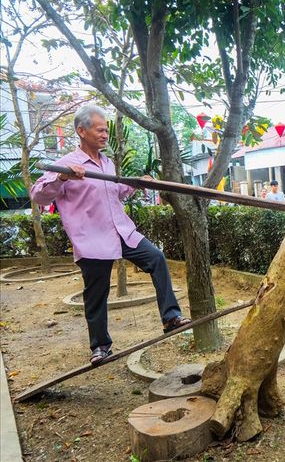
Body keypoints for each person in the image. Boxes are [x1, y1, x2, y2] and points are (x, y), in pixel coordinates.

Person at [30, 105, 191, 365]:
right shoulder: (65, 164)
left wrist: (136, 183)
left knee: (156, 258)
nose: (105, 134)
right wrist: (61, 178)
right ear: (81, 131)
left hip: (121, 231)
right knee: (96, 294)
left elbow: (114, 193)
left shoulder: (106, 163)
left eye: (106, 130)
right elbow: (38, 196)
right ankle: (100, 346)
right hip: (91, 238)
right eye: (100, 129)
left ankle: (171, 317)